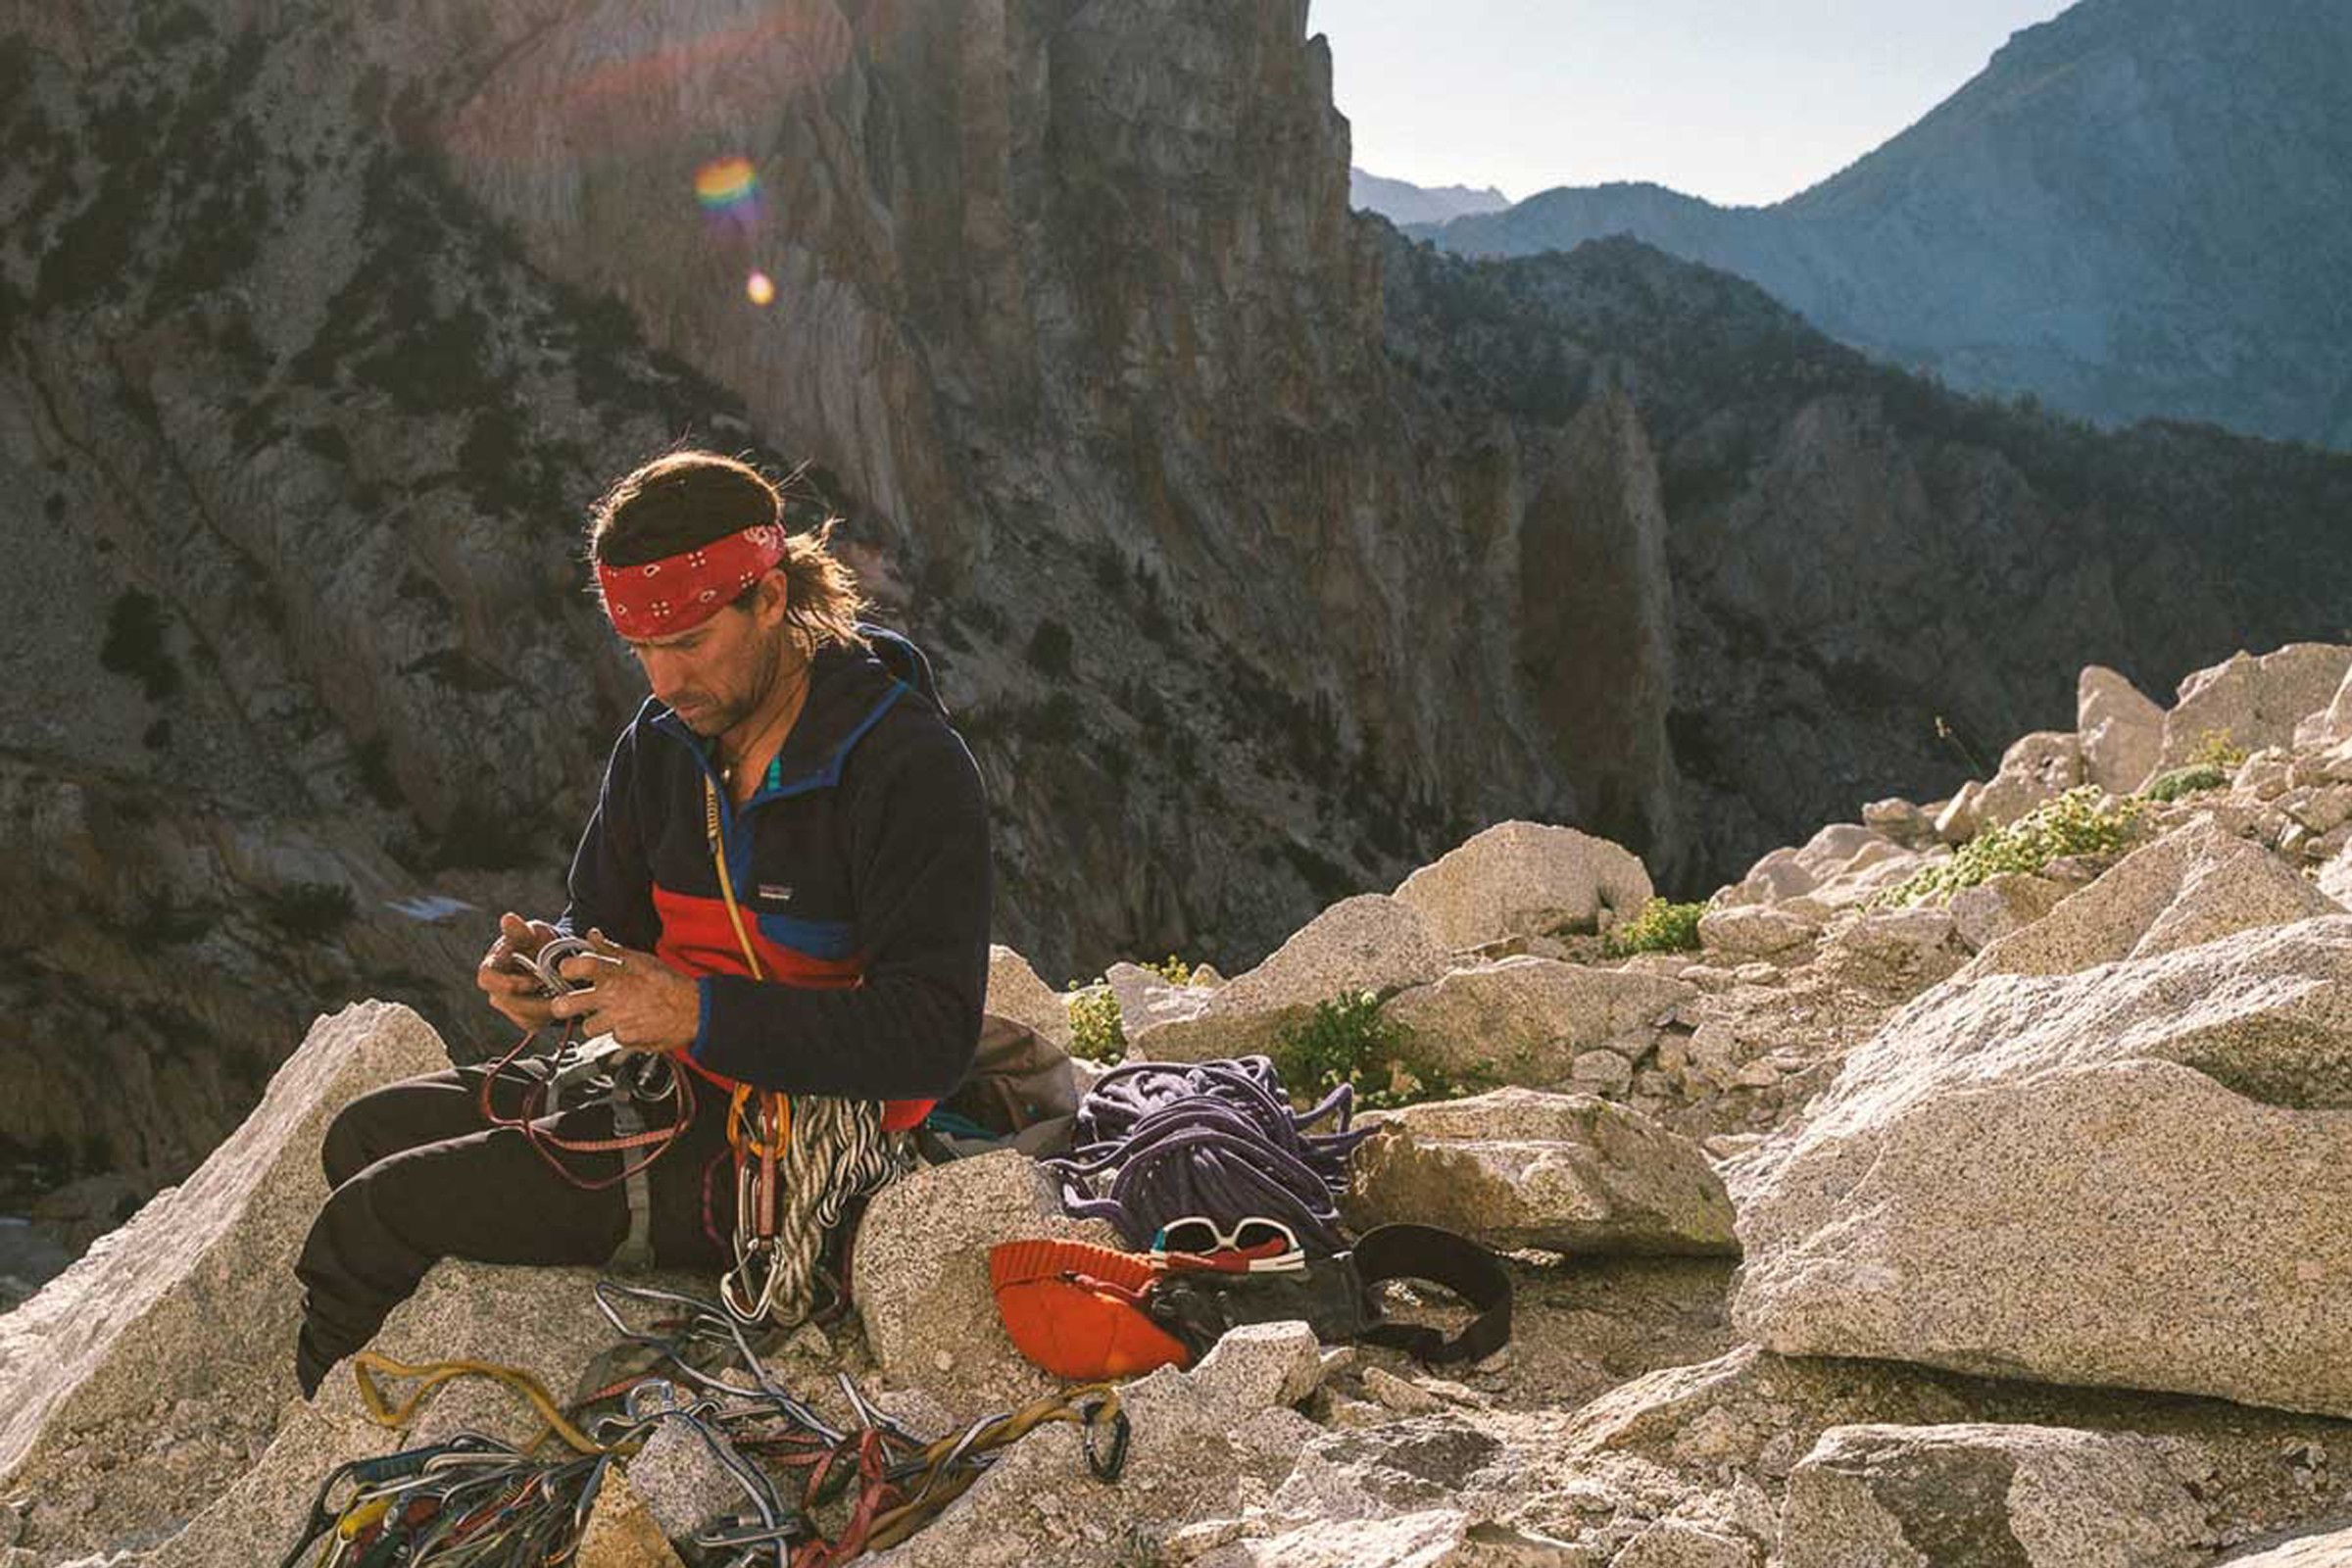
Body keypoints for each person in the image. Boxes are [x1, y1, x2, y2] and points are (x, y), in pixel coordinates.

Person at [292, 451, 992, 1396]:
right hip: (663, 1083)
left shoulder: (904, 766)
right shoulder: (662, 747)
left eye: (691, 642)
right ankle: (440, 1380)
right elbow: (599, 922)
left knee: (372, 1218)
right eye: (642, 651)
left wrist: (699, 1014)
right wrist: (550, 973)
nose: (665, 680)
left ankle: (326, 1464)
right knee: (361, 1136)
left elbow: (930, 1039)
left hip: (793, 1148)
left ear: (771, 598)